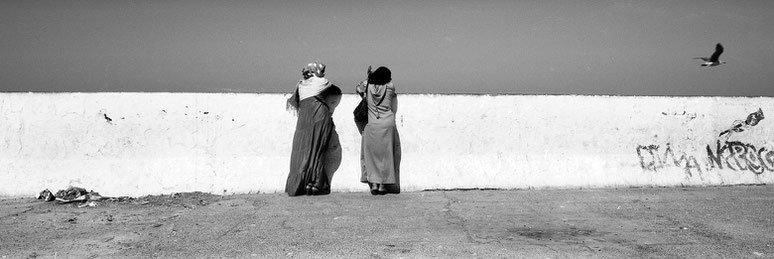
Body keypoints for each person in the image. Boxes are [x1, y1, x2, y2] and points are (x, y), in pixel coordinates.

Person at [285, 62, 342, 196]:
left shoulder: (301, 85)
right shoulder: (322, 82)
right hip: (319, 116)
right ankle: (315, 183)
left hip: (304, 118)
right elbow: (336, 90)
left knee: (302, 151)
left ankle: (300, 184)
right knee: (317, 150)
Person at [356, 66, 401, 195]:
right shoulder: (390, 87)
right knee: (386, 156)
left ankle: (374, 184)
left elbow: (358, 87)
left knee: (371, 156)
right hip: (387, 124)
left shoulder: (368, 87)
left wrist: (370, 75)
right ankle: (382, 185)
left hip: (372, 125)